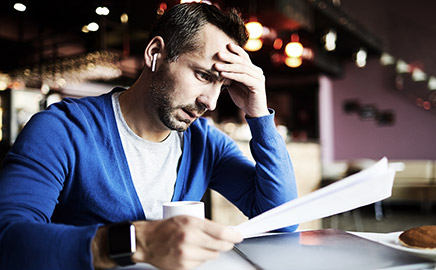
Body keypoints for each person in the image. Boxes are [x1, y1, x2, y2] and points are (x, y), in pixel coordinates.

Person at [0, 3, 298, 270]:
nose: (211, 102)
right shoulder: (61, 130)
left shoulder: (206, 143)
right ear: (155, 54)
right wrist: (137, 242)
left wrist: (258, 113)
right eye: (204, 76)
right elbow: (8, 238)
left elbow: (281, 222)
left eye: (222, 85)